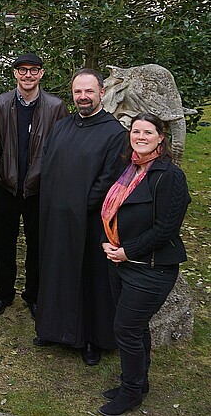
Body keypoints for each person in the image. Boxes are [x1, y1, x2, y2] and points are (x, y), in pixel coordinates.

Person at [98, 114, 191, 416]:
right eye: (136, 131)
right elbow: (110, 208)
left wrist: (127, 250)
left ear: (161, 137)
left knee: (126, 329)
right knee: (135, 329)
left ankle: (130, 393)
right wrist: (106, 239)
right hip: (121, 261)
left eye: (147, 132)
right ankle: (139, 383)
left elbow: (165, 229)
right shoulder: (130, 167)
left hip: (150, 268)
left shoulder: (170, 176)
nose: (140, 136)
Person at [36, 68, 125, 365]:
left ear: (101, 92)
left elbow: (109, 178)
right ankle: (53, 329)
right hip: (56, 217)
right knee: (55, 271)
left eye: (89, 91)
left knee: (89, 279)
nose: (83, 97)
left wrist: (77, 204)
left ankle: (91, 339)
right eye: (78, 92)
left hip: (87, 220)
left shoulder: (115, 133)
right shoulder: (62, 126)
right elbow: (48, 164)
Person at [0, 53, 67, 318]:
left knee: (38, 244)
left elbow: (61, 148)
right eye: (22, 70)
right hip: (6, 185)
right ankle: (3, 294)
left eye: (33, 70)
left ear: (41, 74)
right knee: (2, 243)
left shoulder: (56, 107)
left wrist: (48, 176)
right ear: (15, 74)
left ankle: (34, 295)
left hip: (39, 188)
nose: (28, 75)